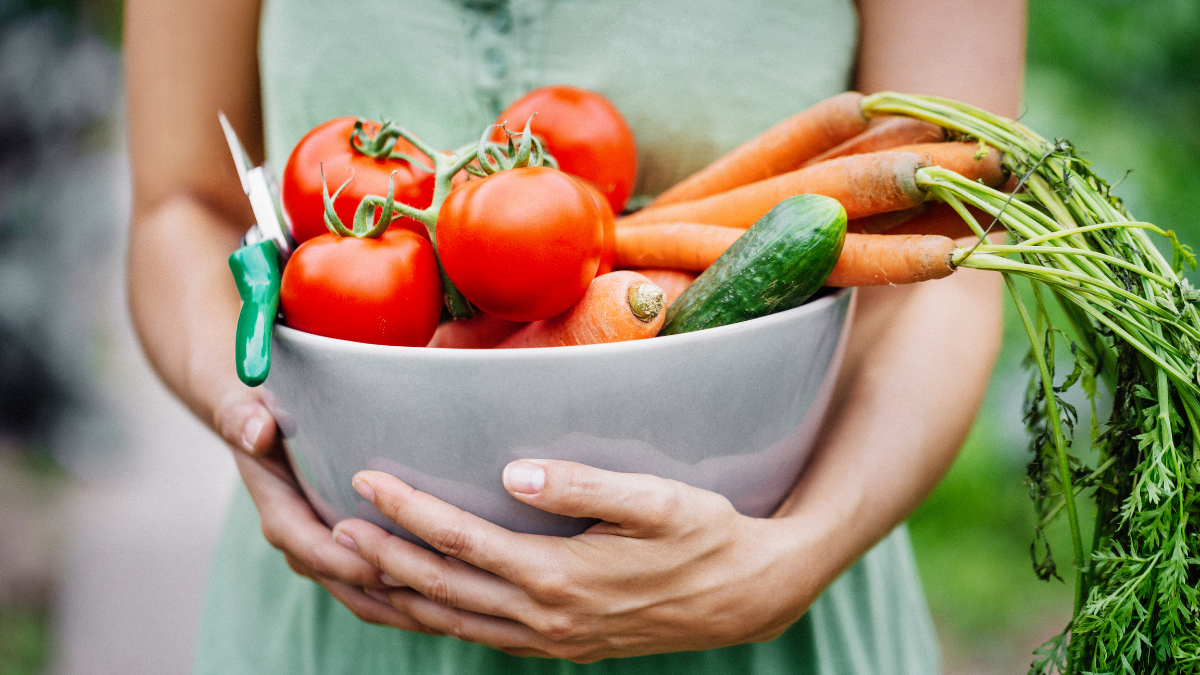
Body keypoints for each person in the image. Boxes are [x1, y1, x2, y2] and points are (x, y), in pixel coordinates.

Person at [124, 0, 1025, 671]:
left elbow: (951, 271)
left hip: (757, 604)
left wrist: (797, 557)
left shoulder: (779, 571)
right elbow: (178, 208)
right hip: (355, 586)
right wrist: (246, 412)